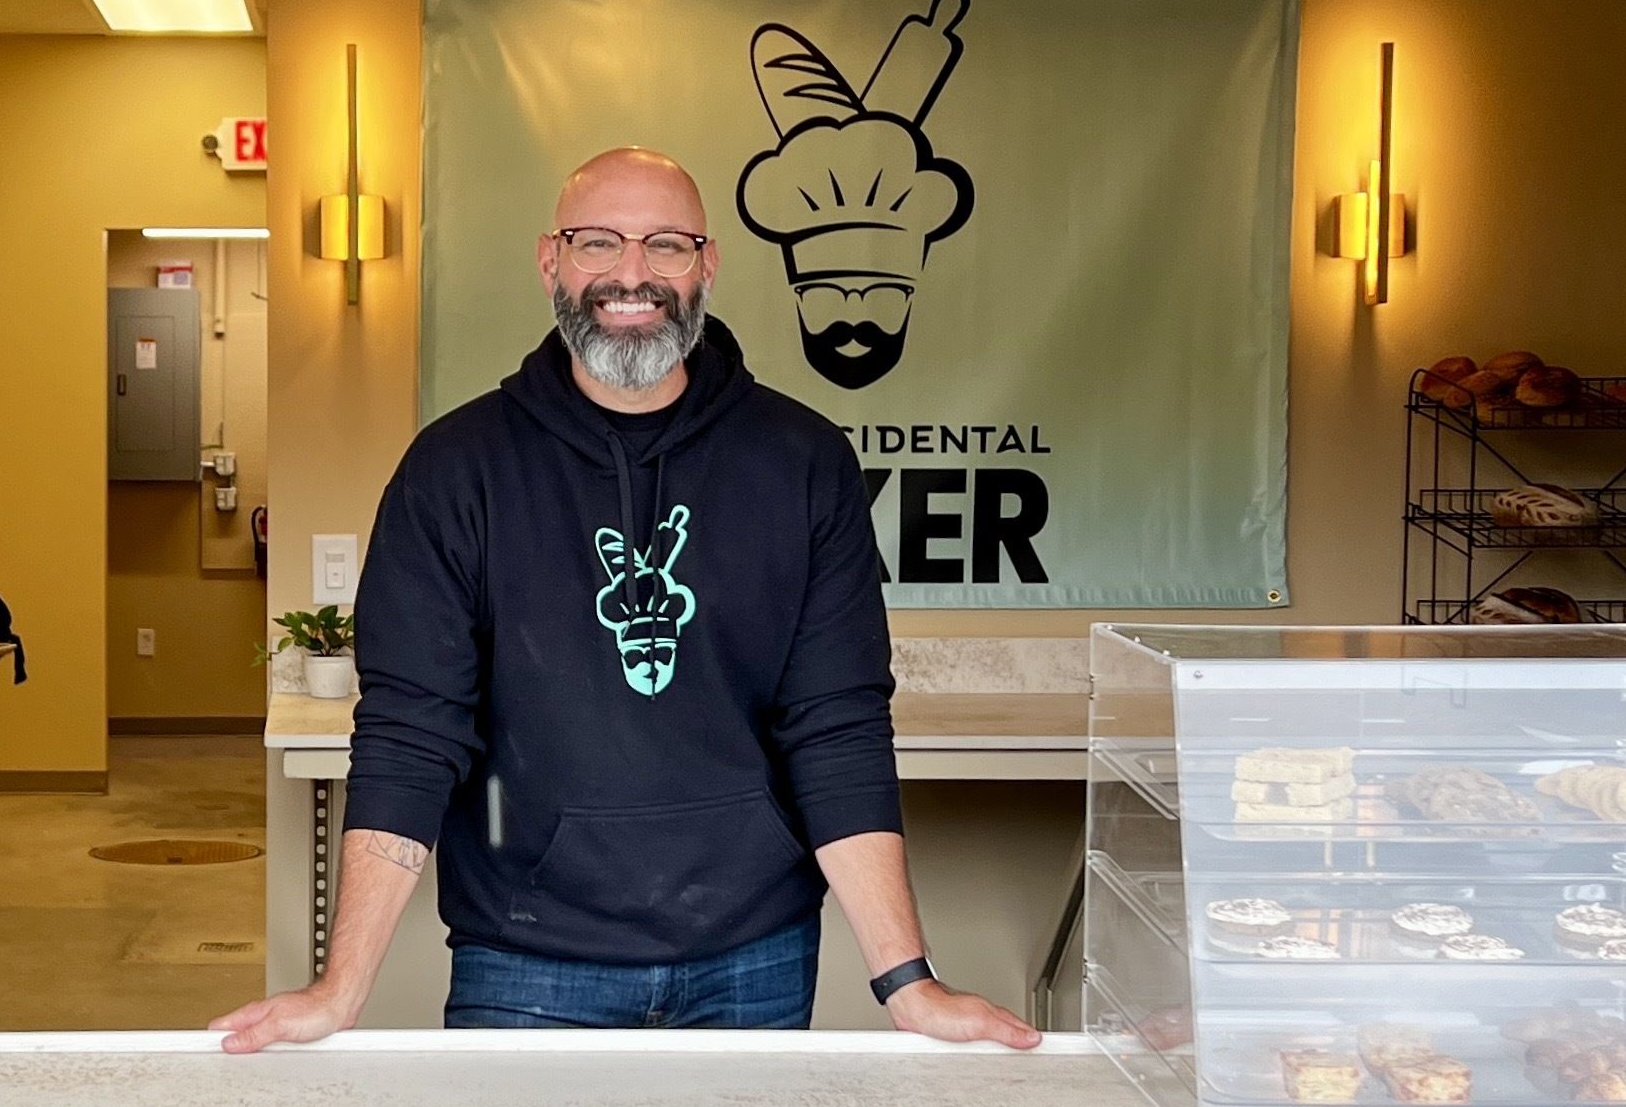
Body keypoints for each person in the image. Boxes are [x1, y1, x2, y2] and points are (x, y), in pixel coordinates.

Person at [214, 146, 1038, 1048]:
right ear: (550, 261)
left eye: (668, 245)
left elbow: (835, 728)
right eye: (598, 242)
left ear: (708, 265)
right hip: (525, 960)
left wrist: (906, 983)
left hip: (754, 956)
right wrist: (340, 991)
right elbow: (413, 734)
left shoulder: (804, 465)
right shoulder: (456, 473)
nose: (631, 275)